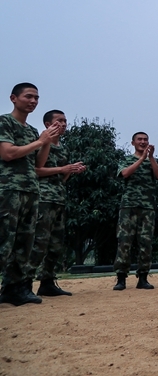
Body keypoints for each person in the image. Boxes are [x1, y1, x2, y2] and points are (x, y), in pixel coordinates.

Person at [0, 83, 60, 306]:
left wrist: (44, 142)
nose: (33, 101)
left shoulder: (32, 131)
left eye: (36, 97)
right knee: (4, 240)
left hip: (31, 190)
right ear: (13, 98)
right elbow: (7, 153)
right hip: (9, 189)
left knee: (24, 242)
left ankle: (14, 289)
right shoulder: (4, 122)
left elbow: (39, 164)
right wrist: (40, 141)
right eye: (28, 96)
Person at [29, 110, 86, 296]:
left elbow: (61, 179)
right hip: (43, 198)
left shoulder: (63, 148)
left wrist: (71, 170)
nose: (63, 124)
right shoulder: (39, 142)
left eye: (65, 121)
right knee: (39, 242)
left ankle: (47, 282)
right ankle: (24, 283)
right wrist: (63, 168)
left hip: (59, 198)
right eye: (59, 121)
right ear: (47, 124)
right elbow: (36, 170)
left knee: (56, 244)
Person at [112, 132, 158, 290]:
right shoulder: (126, 159)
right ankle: (121, 278)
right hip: (129, 206)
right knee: (124, 242)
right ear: (133, 143)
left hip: (147, 207)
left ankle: (143, 277)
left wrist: (151, 158)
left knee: (145, 243)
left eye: (145, 139)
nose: (143, 142)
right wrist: (141, 159)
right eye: (139, 140)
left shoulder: (154, 161)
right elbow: (125, 173)